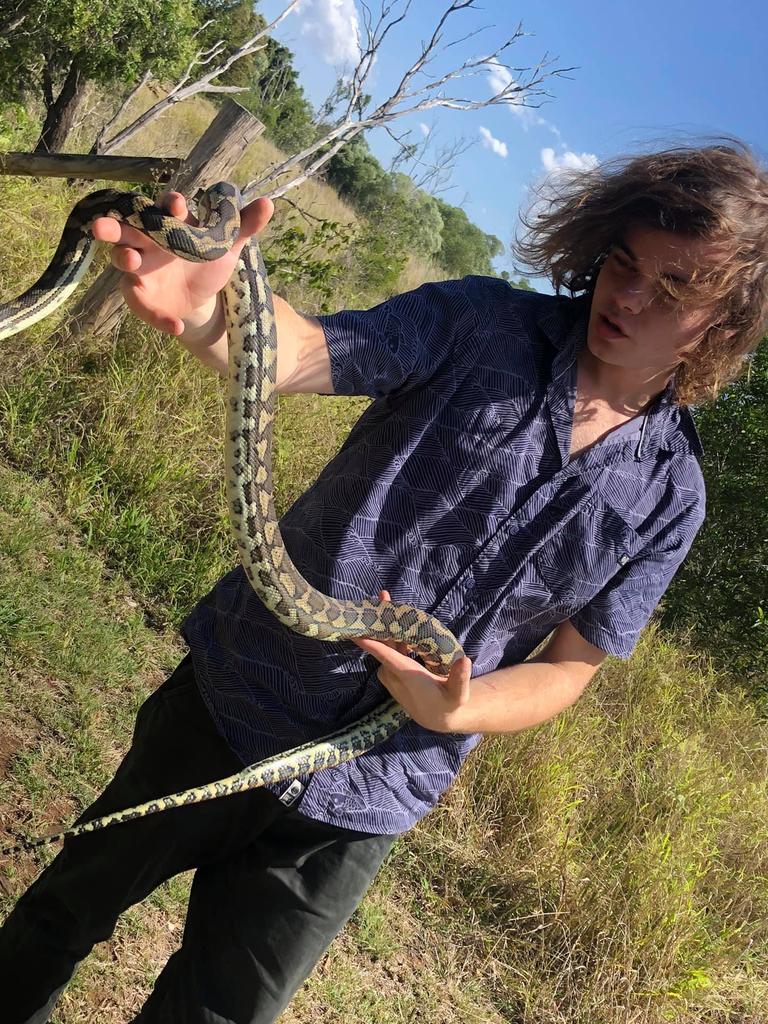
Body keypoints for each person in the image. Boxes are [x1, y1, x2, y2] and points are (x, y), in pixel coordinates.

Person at [2, 140, 767, 1023]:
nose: (626, 296)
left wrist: (458, 710)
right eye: (624, 263)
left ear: (723, 323)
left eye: (671, 290)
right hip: (239, 693)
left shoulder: (673, 496)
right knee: (63, 914)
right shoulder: (481, 323)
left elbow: (571, 670)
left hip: (372, 790)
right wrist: (216, 315)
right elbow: (303, 354)